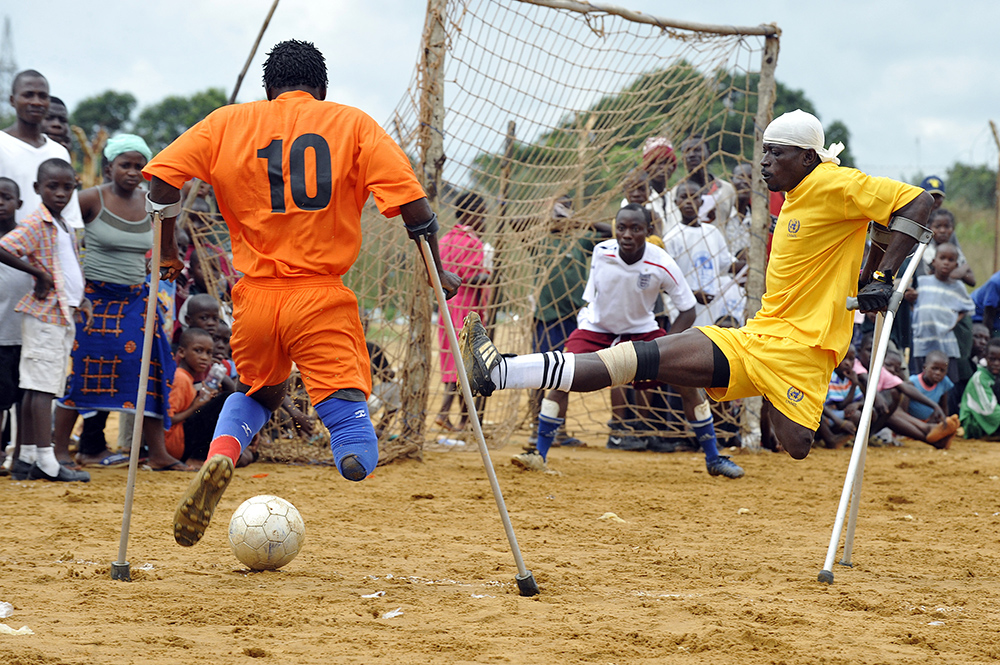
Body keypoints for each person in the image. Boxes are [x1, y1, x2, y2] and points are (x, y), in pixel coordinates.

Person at [460, 109, 934, 460]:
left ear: (808, 156)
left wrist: (883, 276)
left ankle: (505, 373)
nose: (765, 161)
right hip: (761, 336)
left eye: (777, 153)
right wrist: (870, 269)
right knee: (646, 358)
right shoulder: (794, 195)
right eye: (764, 150)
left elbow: (917, 203)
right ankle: (501, 372)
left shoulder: (832, 184)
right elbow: (876, 226)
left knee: (797, 444)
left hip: (801, 347)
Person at [142, 40, 459, 547]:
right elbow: (415, 206)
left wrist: (166, 252)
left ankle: (223, 453)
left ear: (268, 91)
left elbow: (160, 182)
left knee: (260, 392)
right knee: (344, 395)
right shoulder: (351, 123)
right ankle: (352, 450)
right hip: (319, 294)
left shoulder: (226, 123)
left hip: (254, 298)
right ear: (322, 89)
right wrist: (435, 271)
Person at [512, 203, 744, 478]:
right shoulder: (601, 252)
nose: (627, 235)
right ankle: (539, 454)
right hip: (597, 329)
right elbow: (595, 297)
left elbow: (688, 309)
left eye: (635, 229)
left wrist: (666, 347)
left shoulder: (661, 262)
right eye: (621, 228)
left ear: (647, 231)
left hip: (643, 332)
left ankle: (713, 457)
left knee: (687, 384)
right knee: (562, 377)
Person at [51, 134, 188, 471]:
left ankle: (156, 453)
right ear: (109, 167)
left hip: (135, 300)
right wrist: (71, 286)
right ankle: (58, 451)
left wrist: (152, 260)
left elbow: (163, 241)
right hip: (94, 300)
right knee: (82, 371)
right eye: (125, 165)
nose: (132, 171)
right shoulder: (89, 199)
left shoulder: (149, 202)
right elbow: (60, 237)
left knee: (149, 370)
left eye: (139, 166)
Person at [0, 158, 92, 481]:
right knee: (42, 388)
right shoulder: (37, 222)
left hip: (61, 312)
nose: (61, 193)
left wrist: (82, 299)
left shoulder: (62, 223)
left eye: (68, 187)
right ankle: (45, 460)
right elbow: (3, 247)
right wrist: (36, 272)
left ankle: (25, 458)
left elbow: (68, 267)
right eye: (52, 186)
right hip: (45, 314)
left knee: (35, 386)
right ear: (38, 189)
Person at [528, 195, 610, 447]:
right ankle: (536, 427)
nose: (564, 209)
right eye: (560, 204)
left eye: (568, 204)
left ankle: (558, 429)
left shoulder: (580, 238)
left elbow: (612, 233)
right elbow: (515, 225)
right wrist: (547, 217)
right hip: (545, 317)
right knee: (540, 373)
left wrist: (580, 222)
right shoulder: (539, 237)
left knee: (566, 373)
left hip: (573, 317)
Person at [434, 192, 491, 433]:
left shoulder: (445, 240)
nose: (485, 222)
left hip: (447, 309)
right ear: (472, 214)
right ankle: (450, 414)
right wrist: (490, 277)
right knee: (468, 365)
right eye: (483, 216)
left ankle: (462, 420)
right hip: (467, 311)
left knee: (453, 362)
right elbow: (476, 279)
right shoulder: (473, 243)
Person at [0, 70, 83, 230]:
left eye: (42, 96)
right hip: (7, 247)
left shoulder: (59, 152)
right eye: (28, 95)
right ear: (12, 100)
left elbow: (70, 214)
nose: (36, 102)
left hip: (48, 250)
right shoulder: (2, 144)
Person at [663, 179, 741, 327]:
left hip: (711, 309)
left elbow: (726, 264)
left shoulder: (712, 232)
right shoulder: (671, 238)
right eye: (684, 197)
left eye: (694, 197)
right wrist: (692, 294)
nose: (689, 202)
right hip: (682, 312)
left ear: (701, 201)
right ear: (675, 202)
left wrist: (752, 266)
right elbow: (666, 281)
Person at [0, 178, 32, 473]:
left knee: (24, 398)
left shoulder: (28, 239)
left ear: (19, 204)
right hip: (0, 337)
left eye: (6, 197)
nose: (1, 202)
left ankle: (21, 455)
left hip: (25, 334)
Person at [911, 243, 975, 382]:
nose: (946, 263)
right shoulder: (922, 282)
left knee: (947, 381)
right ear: (934, 261)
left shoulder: (957, 287)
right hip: (922, 340)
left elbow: (968, 306)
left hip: (945, 342)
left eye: (951, 260)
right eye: (942, 258)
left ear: (956, 265)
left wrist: (953, 322)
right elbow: (913, 304)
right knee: (921, 380)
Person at [165, 327, 218, 461]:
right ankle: (197, 458)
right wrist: (195, 407)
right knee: (222, 401)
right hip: (175, 444)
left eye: (209, 353)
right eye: (198, 351)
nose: (204, 358)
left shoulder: (188, 378)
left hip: (181, 441)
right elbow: (167, 420)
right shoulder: (180, 378)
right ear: (182, 352)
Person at [816, 347, 862, 449]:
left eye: (851, 359)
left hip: (836, 415)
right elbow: (839, 405)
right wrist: (839, 422)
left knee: (858, 415)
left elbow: (860, 400)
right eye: (843, 358)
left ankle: (844, 438)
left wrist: (856, 402)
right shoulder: (831, 376)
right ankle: (831, 440)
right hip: (827, 415)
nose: (847, 363)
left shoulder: (849, 377)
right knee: (817, 415)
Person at [960, 338, 1000, 439]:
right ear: (985, 357)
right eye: (992, 359)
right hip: (975, 423)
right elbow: (989, 410)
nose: (996, 363)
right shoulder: (979, 378)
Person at [906, 350, 953, 422]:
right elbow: (903, 409)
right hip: (910, 421)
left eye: (942, 370)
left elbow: (944, 405)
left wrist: (945, 421)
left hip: (929, 420)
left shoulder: (944, 382)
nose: (938, 373)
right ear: (925, 368)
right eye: (934, 368)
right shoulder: (912, 382)